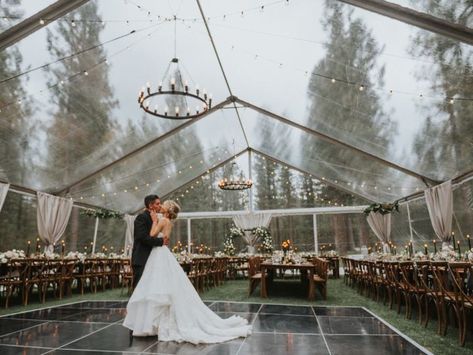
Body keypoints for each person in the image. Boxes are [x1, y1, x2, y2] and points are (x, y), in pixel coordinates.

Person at [123, 200, 252, 344]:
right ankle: (157, 322)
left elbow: (152, 234)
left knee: (157, 285)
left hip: (158, 254)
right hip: (162, 253)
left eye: (164, 204)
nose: (162, 205)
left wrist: (154, 221)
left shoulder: (162, 220)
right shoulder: (168, 221)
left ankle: (154, 323)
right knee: (164, 285)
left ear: (167, 209)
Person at [131, 194, 168, 289]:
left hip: (153, 258)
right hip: (141, 257)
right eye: (157, 204)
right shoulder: (141, 217)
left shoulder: (157, 218)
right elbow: (142, 237)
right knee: (139, 287)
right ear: (150, 205)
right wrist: (160, 242)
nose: (160, 205)